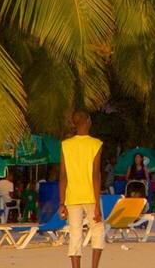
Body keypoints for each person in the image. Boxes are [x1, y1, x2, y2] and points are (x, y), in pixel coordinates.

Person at [59, 111, 107, 268]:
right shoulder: (95, 144)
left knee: (75, 234)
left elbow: (63, 176)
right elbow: (95, 175)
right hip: (90, 195)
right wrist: (97, 205)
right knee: (98, 230)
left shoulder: (66, 145)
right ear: (87, 122)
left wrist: (62, 202)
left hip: (72, 196)